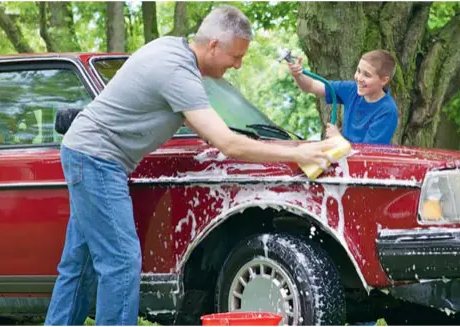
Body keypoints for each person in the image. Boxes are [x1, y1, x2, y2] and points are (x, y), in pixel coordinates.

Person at [44, 5, 337, 326]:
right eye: (236, 57)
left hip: (86, 152)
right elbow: (226, 142)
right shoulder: (177, 72)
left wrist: (295, 144)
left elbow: (222, 131)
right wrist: (298, 155)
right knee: (122, 263)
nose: (238, 65)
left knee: (80, 264)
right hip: (97, 158)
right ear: (213, 45)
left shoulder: (174, 51)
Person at [288, 50, 399, 145]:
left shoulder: (387, 110)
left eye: (367, 75)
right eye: (358, 71)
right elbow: (312, 86)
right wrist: (298, 75)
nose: (359, 78)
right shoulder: (352, 89)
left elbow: (367, 155)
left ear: (384, 80)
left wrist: (338, 139)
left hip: (363, 166)